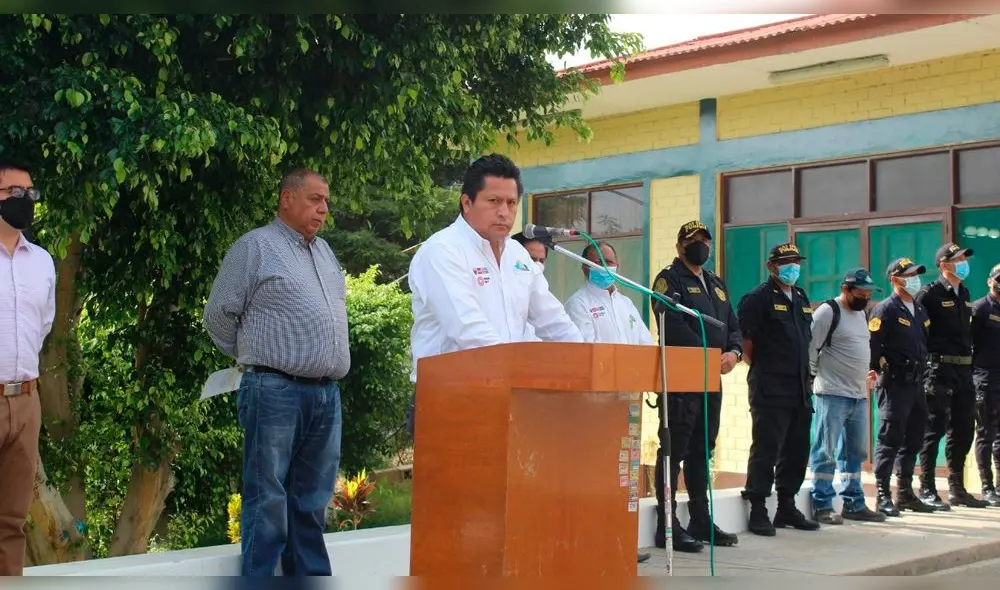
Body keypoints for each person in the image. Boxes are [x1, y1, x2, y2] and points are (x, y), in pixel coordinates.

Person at [204, 168, 350, 577]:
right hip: (274, 389)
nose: (323, 208)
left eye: (326, 201)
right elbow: (218, 315)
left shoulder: (324, 252)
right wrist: (254, 356)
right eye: (314, 199)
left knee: (311, 502)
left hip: (325, 394)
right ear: (287, 198)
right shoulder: (255, 247)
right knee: (267, 499)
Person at [406, 154, 583, 437]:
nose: (504, 212)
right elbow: (468, 329)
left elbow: (553, 320)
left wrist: (587, 363)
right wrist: (524, 374)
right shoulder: (442, 251)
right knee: (462, 483)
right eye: (493, 201)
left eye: (511, 203)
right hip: (450, 399)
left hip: (511, 396)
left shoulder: (518, 255)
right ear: (466, 203)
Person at [650, 220, 742, 552]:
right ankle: (667, 525)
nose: (701, 246)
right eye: (694, 241)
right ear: (680, 247)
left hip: (710, 380)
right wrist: (707, 353)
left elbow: (732, 324)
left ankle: (700, 520)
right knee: (674, 451)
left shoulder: (716, 284)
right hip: (681, 380)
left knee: (703, 451)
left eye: (705, 241)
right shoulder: (668, 279)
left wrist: (732, 353)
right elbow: (668, 323)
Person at [564, 240, 654, 563]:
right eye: (598, 261)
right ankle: (593, 543)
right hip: (595, 408)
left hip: (628, 402)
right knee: (597, 476)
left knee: (624, 478)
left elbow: (646, 346)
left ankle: (623, 541)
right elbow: (587, 351)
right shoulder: (578, 305)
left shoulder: (628, 305)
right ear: (584, 267)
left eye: (611, 260)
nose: (606, 266)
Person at [736, 242, 819, 536]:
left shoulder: (800, 296)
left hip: (799, 388)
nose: (792, 267)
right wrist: (766, 372)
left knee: (797, 450)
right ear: (771, 267)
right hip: (770, 388)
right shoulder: (757, 299)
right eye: (786, 262)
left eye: (796, 261)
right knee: (766, 449)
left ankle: (786, 505)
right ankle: (758, 508)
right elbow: (746, 345)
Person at [0, 158, 54, 576]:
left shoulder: (43, 262)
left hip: (26, 403)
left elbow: (44, 325)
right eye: (15, 193)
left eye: (30, 193)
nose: (26, 201)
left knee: (12, 522)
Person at [807, 269, 886, 524]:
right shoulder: (828, 312)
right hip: (831, 394)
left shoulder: (862, 313)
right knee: (825, 451)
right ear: (845, 289)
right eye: (861, 292)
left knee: (855, 453)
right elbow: (811, 349)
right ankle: (822, 504)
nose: (865, 296)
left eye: (868, 293)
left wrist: (867, 374)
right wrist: (813, 380)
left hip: (859, 396)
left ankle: (853, 502)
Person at [915, 242, 988, 509]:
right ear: (944, 265)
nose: (963, 263)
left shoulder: (964, 292)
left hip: (963, 370)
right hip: (939, 369)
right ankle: (927, 487)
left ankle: (957, 488)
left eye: (964, 258)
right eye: (958, 259)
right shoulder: (929, 295)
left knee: (964, 429)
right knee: (933, 429)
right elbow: (919, 335)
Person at [868, 258, 936, 517]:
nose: (915, 279)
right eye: (909, 275)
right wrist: (878, 370)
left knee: (914, 438)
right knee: (889, 439)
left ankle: (905, 493)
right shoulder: (885, 309)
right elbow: (873, 347)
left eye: (917, 274)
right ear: (895, 280)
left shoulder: (919, 311)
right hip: (895, 384)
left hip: (917, 384)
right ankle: (883, 495)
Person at [972, 263, 1000, 507]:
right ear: (990, 281)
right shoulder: (981, 308)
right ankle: (987, 487)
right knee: (985, 434)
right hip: (985, 380)